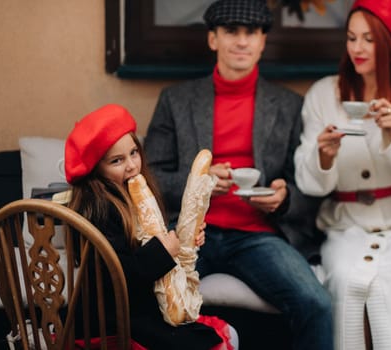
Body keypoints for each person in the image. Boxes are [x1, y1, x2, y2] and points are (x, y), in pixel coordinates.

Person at [143, 1, 334, 349]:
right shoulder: (176, 100)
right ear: (213, 39)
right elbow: (150, 177)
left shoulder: (290, 105)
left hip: (257, 236)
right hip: (191, 232)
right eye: (231, 31)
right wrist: (197, 185)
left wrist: (284, 197)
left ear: (263, 42)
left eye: (251, 33)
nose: (242, 41)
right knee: (145, 297)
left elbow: (307, 186)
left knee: (317, 305)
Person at [293, 0, 391, 349]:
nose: (357, 48)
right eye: (351, 38)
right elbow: (308, 182)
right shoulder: (324, 95)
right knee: (349, 283)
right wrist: (323, 156)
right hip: (346, 224)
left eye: (369, 39)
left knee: (384, 288)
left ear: (390, 43)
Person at [64, 104, 238, 350]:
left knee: (226, 332)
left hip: (142, 308)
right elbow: (117, 276)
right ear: (96, 170)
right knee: (215, 342)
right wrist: (163, 251)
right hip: (112, 322)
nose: (132, 165)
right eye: (117, 160)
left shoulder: (135, 197)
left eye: (134, 153)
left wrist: (183, 240)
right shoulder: (98, 210)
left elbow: (149, 239)